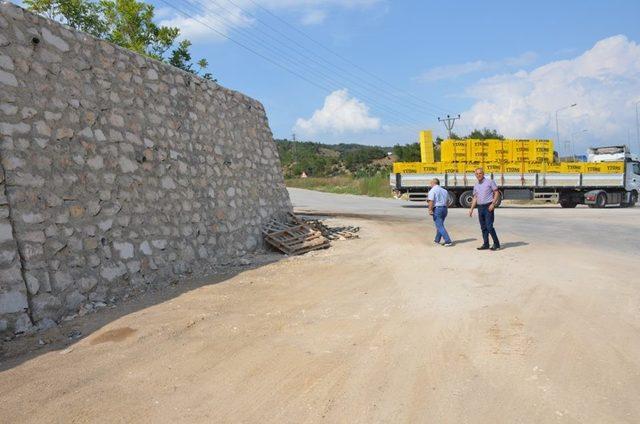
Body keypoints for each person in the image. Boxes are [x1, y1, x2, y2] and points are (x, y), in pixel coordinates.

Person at [468, 167, 501, 251]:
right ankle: (486, 244)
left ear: (483, 174)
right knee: (483, 227)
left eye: (480, 173)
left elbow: (496, 192)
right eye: (477, 174)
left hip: (488, 206)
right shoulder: (476, 185)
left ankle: (496, 244)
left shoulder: (490, 182)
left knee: (489, 227)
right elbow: (475, 197)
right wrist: (471, 209)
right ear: (475, 175)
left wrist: (493, 204)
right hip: (480, 207)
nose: (478, 175)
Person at [427, 178, 453, 247]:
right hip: (444, 209)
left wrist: (430, 210)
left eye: (431, 183)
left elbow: (431, 201)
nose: (430, 185)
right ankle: (437, 240)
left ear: (433, 183)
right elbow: (447, 201)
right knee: (440, 224)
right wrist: (445, 207)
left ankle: (448, 241)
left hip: (437, 209)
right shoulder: (444, 191)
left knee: (439, 225)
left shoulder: (433, 190)